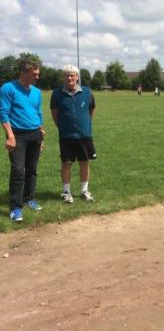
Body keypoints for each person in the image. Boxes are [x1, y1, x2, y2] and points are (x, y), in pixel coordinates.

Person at [0, 58, 45, 222]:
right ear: (24, 73)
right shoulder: (8, 88)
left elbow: (38, 113)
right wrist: (10, 135)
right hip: (17, 135)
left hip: (35, 134)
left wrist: (41, 135)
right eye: (35, 74)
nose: (37, 77)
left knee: (32, 169)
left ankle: (29, 198)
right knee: (18, 171)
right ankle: (15, 208)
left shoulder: (37, 92)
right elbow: (3, 113)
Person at [50, 65, 96, 204]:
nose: (69, 78)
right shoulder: (57, 94)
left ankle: (84, 191)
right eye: (66, 75)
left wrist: (85, 124)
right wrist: (63, 127)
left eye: (72, 75)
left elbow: (92, 109)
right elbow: (54, 114)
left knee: (84, 162)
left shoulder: (87, 92)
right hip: (66, 136)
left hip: (84, 136)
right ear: (63, 77)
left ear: (77, 77)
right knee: (66, 163)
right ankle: (66, 192)